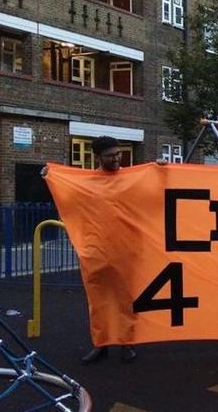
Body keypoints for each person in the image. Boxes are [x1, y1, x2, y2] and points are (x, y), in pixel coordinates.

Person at [77, 136, 139, 365]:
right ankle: (101, 343)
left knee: (125, 299)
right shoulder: (88, 182)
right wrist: (51, 176)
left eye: (118, 154)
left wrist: (161, 171)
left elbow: (156, 190)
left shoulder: (131, 179)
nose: (116, 158)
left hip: (124, 249)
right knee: (98, 300)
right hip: (96, 250)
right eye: (110, 155)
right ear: (98, 157)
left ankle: (126, 343)